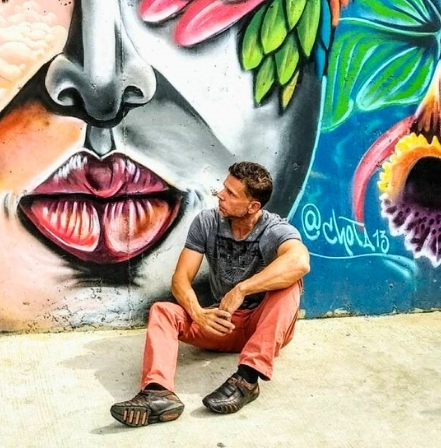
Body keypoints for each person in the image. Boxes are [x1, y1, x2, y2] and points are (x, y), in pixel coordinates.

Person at [111, 161, 310, 427]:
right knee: (163, 311)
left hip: (265, 326)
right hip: (222, 322)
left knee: (289, 286)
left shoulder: (274, 230)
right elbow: (180, 279)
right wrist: (198, 314)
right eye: (224, 187)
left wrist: (243, 288)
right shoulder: (207, 222)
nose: (220, 194)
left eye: (231, 193)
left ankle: (247, 379)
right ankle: (158, 393)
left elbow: (300, 262)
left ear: (253, 207)